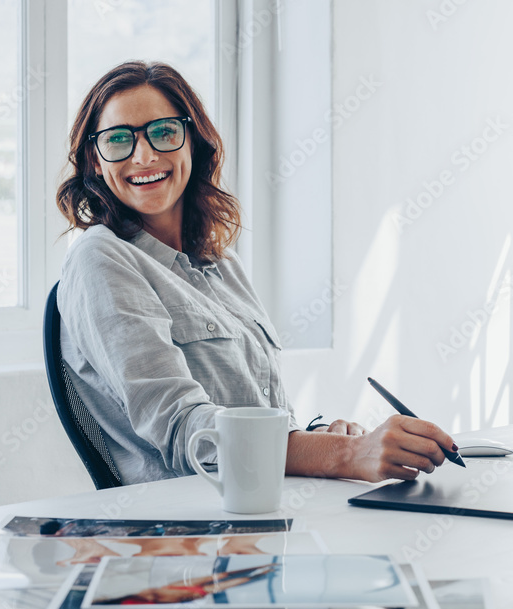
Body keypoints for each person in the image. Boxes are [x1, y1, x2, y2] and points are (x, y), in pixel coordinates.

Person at [55, 61, 457, 486]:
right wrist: (347, 454)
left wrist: (319, 439)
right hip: (189, 527)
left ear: (193, 142)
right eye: (118, 139)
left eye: (164, 132)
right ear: (95, 162)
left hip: (267, 503)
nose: (144, 155)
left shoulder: (221, 261)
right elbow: (186, 430)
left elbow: (262, 412)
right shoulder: (99, 258)